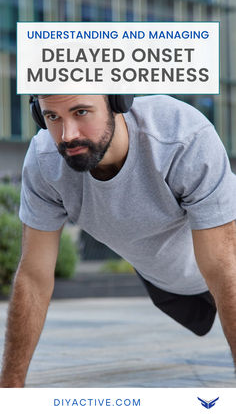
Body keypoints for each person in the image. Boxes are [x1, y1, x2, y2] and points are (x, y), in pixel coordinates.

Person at [0, 94, 236, 388]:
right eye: (52, 117)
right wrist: (9, 392)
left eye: (81, 112)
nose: (67, 135)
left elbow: (224, 267)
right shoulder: (45, 162)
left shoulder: (181, 135)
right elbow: (34, 277)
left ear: (118, 100)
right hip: (169, 284)